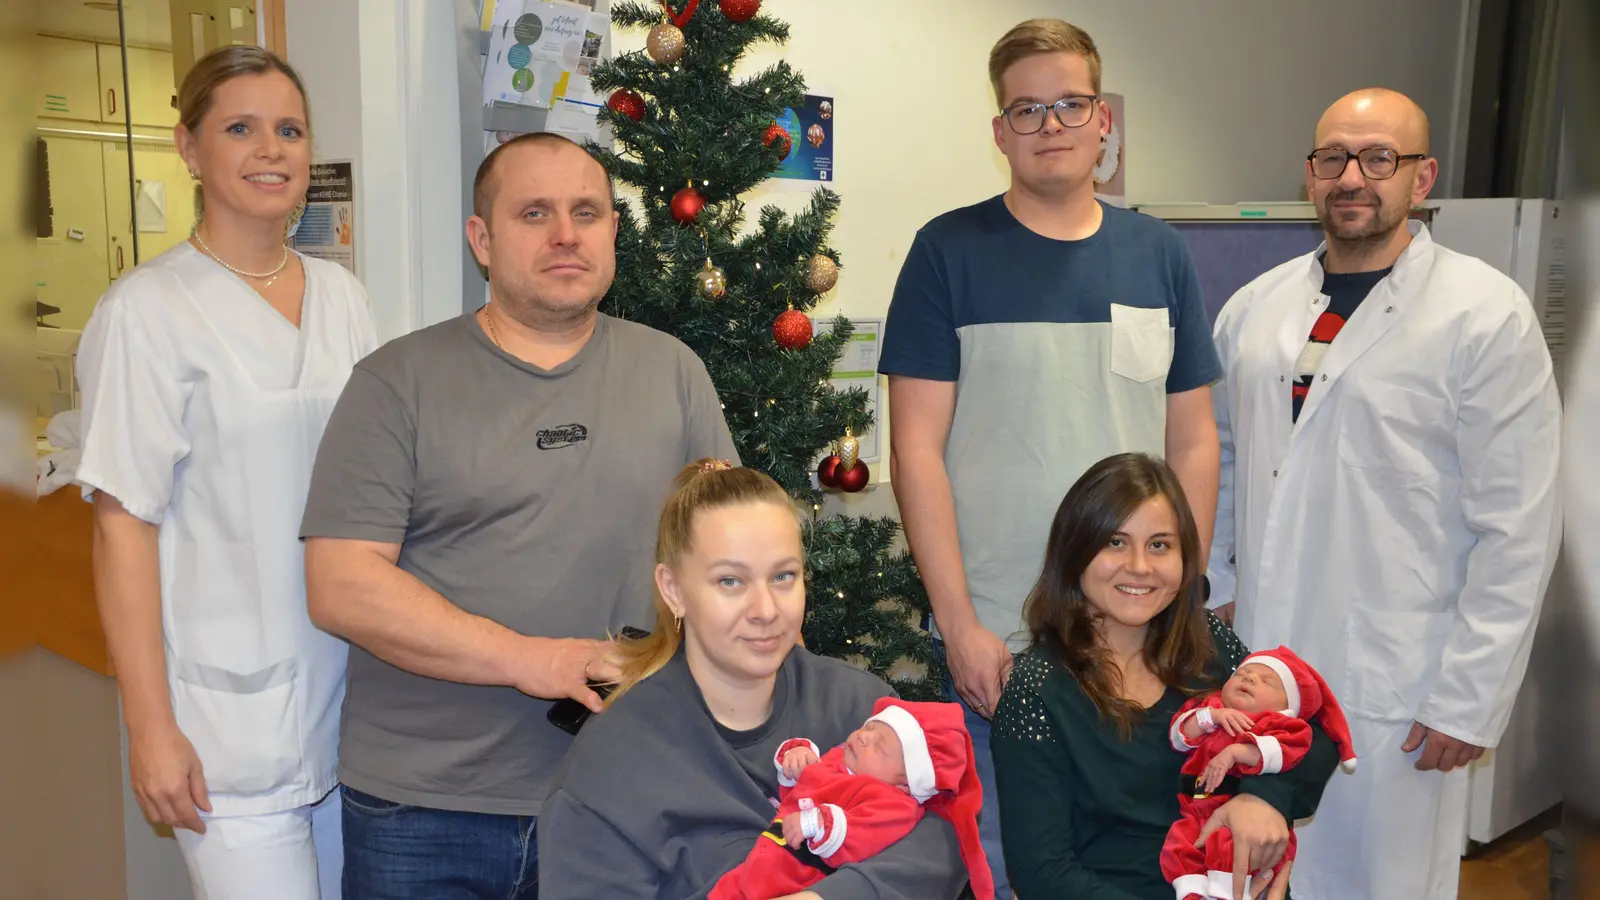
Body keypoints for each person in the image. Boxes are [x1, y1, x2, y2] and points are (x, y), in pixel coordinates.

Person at [298, 133, 737, 896]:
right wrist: (534, 661)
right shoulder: (397, 383)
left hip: (623, 799)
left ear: (613, 232)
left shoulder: (674, 373)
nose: (566, 234)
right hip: (426, 811)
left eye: (586, 213)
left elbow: (731, 554)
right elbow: (341, 586)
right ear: (482, 240)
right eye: (534, 213)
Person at [878, 19, 1223, 893]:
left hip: (1135, 647)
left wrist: (1181, 595)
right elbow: (914, 451)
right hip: (1002, 642)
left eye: (1070, 104)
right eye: (1026, 109)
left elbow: (1193, 440)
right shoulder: (946, 253)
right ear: (999, 132)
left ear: (1104, 119)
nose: (1050, 125)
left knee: (1146, 867)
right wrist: (959, 623)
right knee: (1016, 875)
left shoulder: (1160, 255)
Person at [1206, 88, 1562, 900]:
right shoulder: (1255, 311)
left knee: (1378, 878)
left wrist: (1469, 698)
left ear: (1421, 177)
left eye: (1378, 158)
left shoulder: (1484, 315)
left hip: (1399, 676)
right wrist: (1217, 586)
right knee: (1252, 871)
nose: (1352, 178)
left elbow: (1518, 525)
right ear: (1309, 175)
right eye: (1333, 157)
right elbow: (1222, 460)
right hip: (1261, 663)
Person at [74, 46, 377, 900]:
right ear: (189, 147)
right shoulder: (145, 311)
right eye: (240, 128)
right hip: (224, 733)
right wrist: (149, 729)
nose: (271, 150)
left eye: (290, 130)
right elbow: (122, 527)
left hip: (355, 717)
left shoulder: (344, 298)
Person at [538, 461, 970, 899]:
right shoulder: (611, 766)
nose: (765, 610)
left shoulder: (862, 709)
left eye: (784, 576)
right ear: (673, 590)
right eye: (730, 581)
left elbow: (944, 837)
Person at [990, 452, 1339, 900]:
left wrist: (1266, 798)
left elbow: (1314, 730)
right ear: (1074, 551)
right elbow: (1043, 874)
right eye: (1115, 542)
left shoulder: (1207, 641)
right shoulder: (1036, 689)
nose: (1140, 566)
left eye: (1159, 545)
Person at [711, 697, 993, 900]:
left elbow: (857, 836)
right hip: (764, 860)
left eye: (879, 747)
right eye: (869, 728)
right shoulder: (839, 762)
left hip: (799, 877)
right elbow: (798, 795)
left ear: (905, 783)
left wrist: (814, 823)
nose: (863, 738)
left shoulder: (895, 803)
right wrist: (796, 760)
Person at [1160, 647, 1359, 900]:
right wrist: (1211, 717)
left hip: (1239, 819)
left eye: (1267, 681)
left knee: (1229, 848)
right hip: (1194, 811)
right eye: (1242, 674)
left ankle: (1227, 892)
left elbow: (1283, 753)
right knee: (1180, 845)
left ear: (1288, 706)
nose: (1250, 678)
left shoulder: (1281, 725)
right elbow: (1179, 738)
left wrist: (1236, 753)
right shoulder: (1211, 706)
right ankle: (1191, 890)